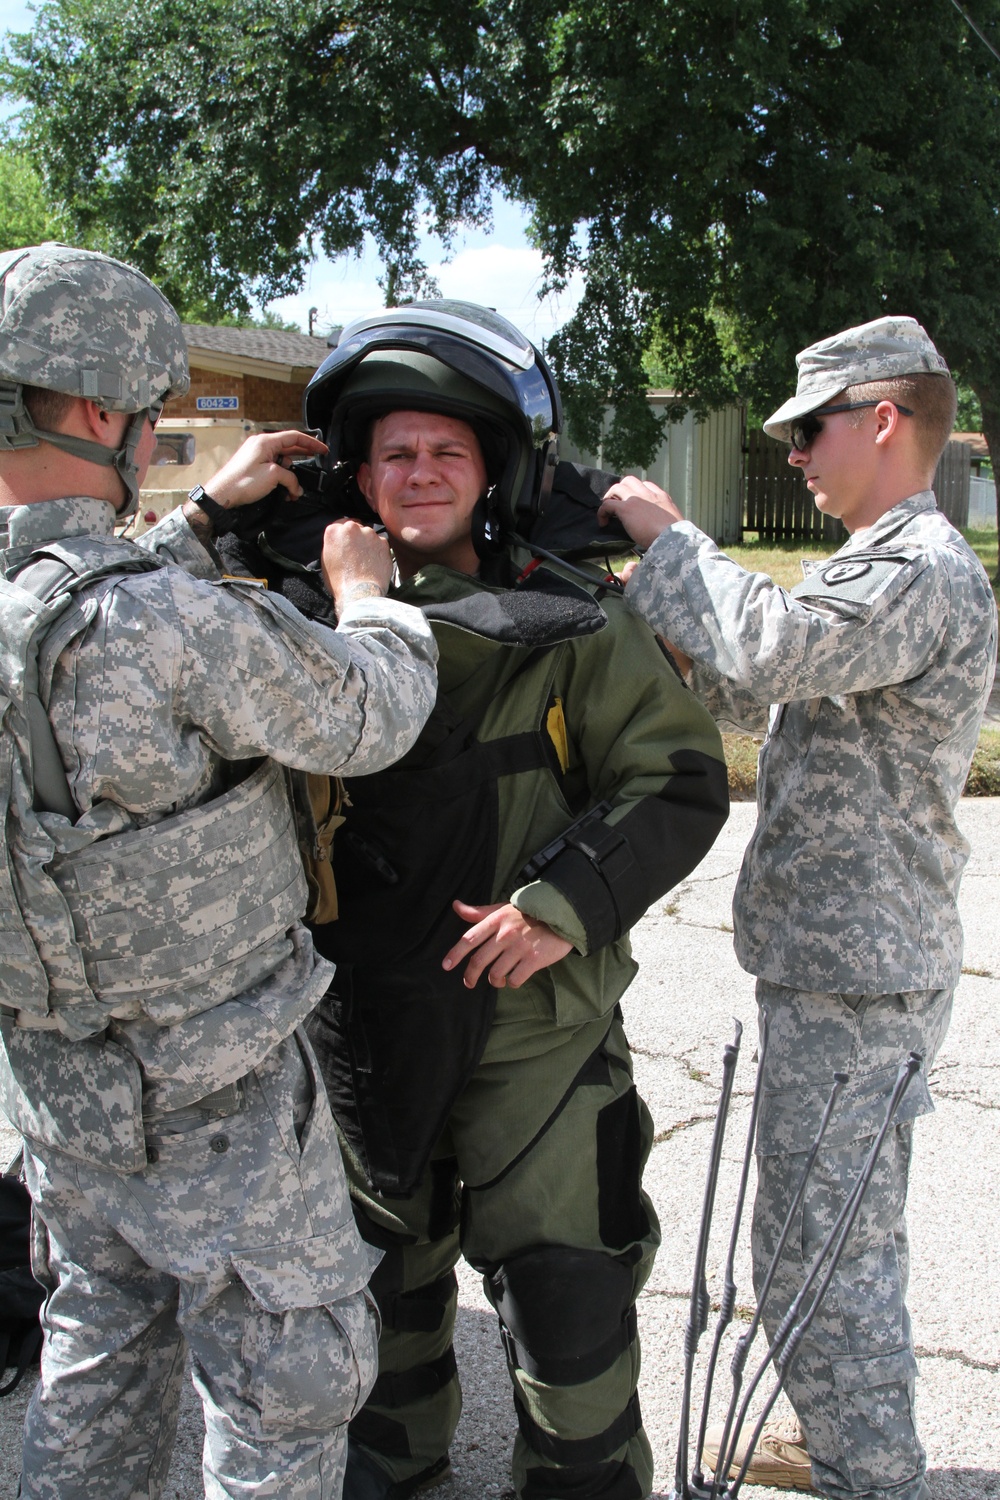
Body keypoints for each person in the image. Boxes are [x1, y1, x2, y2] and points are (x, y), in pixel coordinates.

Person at [218, 299, 731, 1500]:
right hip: (357, 1023)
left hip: (534, 1034)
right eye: (395, 450)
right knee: (372, 1299)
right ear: (358, 472)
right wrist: (210, 520)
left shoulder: (575, 625)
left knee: (568, 1297)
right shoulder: (286, 620)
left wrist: (559, 905)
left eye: (448, 449)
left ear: (494, 467)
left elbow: (678, 777)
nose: (421, 471)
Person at [0, 243, 439, 1500]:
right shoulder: (172, 625)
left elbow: (63, 613)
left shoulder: (96, 602)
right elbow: (373, 712)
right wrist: (369, 597)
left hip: (58, 1090)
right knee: (284, 1388)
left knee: (96, 1356)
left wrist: (194, 521)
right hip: (225, 1099)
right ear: (100, 414)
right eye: (146, 416)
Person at [598, 315, 998, 1500]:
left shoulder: (918, 569)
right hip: (841, 958)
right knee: (814, 1234)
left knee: (826, 1245)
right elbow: (747, 681)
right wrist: (655, 606)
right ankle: (846, 1444)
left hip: (861, 970)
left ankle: (871, 1474)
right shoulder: (872, 564)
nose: (792, 453)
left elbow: (766, 647)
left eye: (806, 429)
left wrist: (675, 541)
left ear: (881, 419)